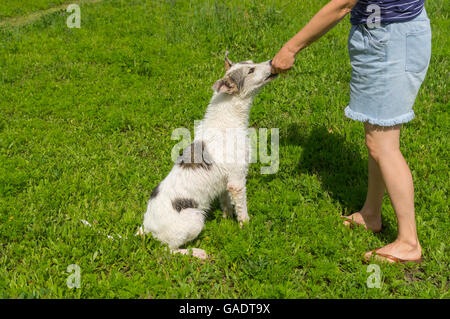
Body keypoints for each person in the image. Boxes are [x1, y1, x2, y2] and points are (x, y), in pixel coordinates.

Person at [271, 0, 431, 263]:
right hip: (386, 36)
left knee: (384, 146)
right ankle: (371, 214)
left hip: (391, 41)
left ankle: (409, 242)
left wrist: (290, 48)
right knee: (376, 140)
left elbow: (342, 4)